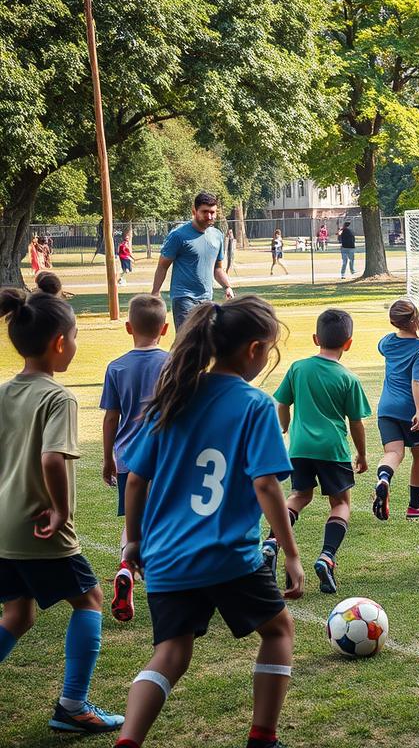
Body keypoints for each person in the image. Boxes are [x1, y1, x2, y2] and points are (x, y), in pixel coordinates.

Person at [116, 296, 301, 748]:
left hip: (167, 557)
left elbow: (136, 480)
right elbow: (266, 486)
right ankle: (263, 736)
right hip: (229, 556)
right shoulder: (254, 405)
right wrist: (291, 553)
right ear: (255, 350)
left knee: (171, 652)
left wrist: (134, 544)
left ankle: (128, 740)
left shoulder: (173, 395)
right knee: (278, 631)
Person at [0, 289, 125, 733]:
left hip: (3, 527)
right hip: (38, 525)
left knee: (18, 614)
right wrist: (59, 509)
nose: (75, 345)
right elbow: (53, 459)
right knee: (89, 599)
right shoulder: (59, 398)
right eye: (74, 337)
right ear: (58, 343)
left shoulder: (3, 392)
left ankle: (73, 705)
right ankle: (73, 706)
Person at [260, 309, 371, 595]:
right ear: (348, 342)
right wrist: (362, 454)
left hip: (300, 448)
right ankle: (327, 557)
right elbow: (356, 423)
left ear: (315, 338)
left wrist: (285, 427)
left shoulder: (298, 368)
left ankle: (272, 542)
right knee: (340, 503)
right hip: (332, 449)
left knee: (299, 496)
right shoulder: (348, 379)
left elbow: (282, 403)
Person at [100, 295, 170, 623]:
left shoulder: (116, 367)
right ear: (165, 328)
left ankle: (126, 567)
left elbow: (110, 418)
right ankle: (161, 586)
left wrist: (107, 458)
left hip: (128, 459)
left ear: (129, 328)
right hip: (164, 458)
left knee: (132, 519)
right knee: (163, 522)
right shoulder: (172, 364)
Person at [372, 299, 419, 521]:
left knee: (393, 453)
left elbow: (385, 347)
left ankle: (383, 479)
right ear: (415, 318)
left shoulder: (386, 342)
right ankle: (415, 506)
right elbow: (418, 381)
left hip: (386, 409)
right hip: (410, 410)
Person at [151, 191, 234, 330]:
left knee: (207, 341)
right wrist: (155, 292)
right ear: (194, 211)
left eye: (213, 212)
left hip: (207, 298)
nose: (209, 216)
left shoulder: (217, 236)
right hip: (184, 297)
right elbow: (162, 266)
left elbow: (217, 268)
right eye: (205, 212)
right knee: (187, 341)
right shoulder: (178, 235)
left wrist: (227, 287)